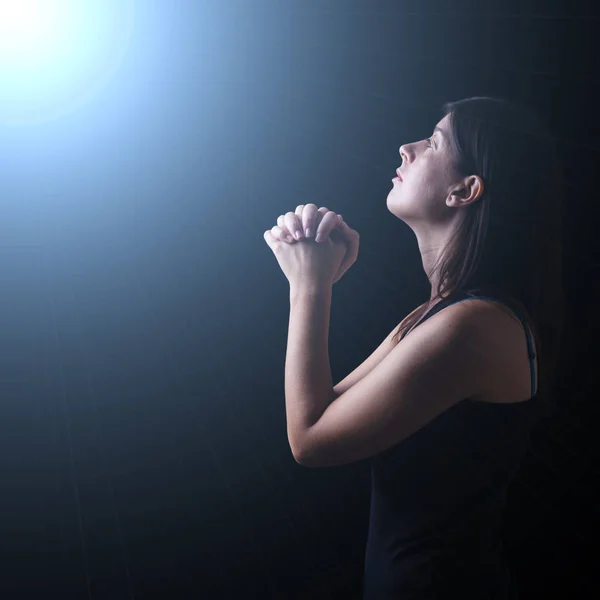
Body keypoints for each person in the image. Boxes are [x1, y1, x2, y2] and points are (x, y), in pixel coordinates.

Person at [266, 96, 565, 598]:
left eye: (434, 141)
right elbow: (326, 410)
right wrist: (319, 275)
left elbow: (310, 440)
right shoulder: (441, 314)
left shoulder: (473, 326)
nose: (407, 148)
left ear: (465, 191)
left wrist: (309, 285)